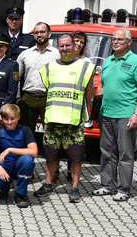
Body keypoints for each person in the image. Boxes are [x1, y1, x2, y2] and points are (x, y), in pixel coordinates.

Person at [34, 34, 94, 203]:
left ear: (75, 46)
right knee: (50, 156)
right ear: (58, 47)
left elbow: (89, 94)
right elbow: (48, 90)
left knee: (75, 157)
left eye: (68, 45)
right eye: (62, 46)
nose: (65, 48)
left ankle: (74, 188)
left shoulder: (85, 67)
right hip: (52, 120)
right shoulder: (49, 67)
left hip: (73, 121)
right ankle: (48, 184)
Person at [94, 27, 137, 201]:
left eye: (120, 39)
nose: (116, 42)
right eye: (114, 39)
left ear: (129, 42)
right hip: (106, 113)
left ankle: (123, 189)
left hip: (126, 114)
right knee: (106, 151)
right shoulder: (108, 60)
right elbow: (102, 85)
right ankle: (107, 185)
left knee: (125, 153)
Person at [0, 103, 37, 207]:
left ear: (18, 117)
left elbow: (34, 152)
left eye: (12, 119)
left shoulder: (25, 130)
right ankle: (4, 187)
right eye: (6, 119)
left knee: (28, 161)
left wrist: (10, 150)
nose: (9, 122)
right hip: (4, 166)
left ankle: (20, 194)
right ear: (2, 119)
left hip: (19, 165)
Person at [15, 22, 59, 135]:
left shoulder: (57, 55)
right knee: (26, 132)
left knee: (50, 132)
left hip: (48, 98)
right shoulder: (25, 54)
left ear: (49, 34)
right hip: (28, 97)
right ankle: (28, 152)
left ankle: (49, 153)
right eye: (37, 32)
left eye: (42, 32)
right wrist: (18, 97)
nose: (39, 35)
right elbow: (16, 78)